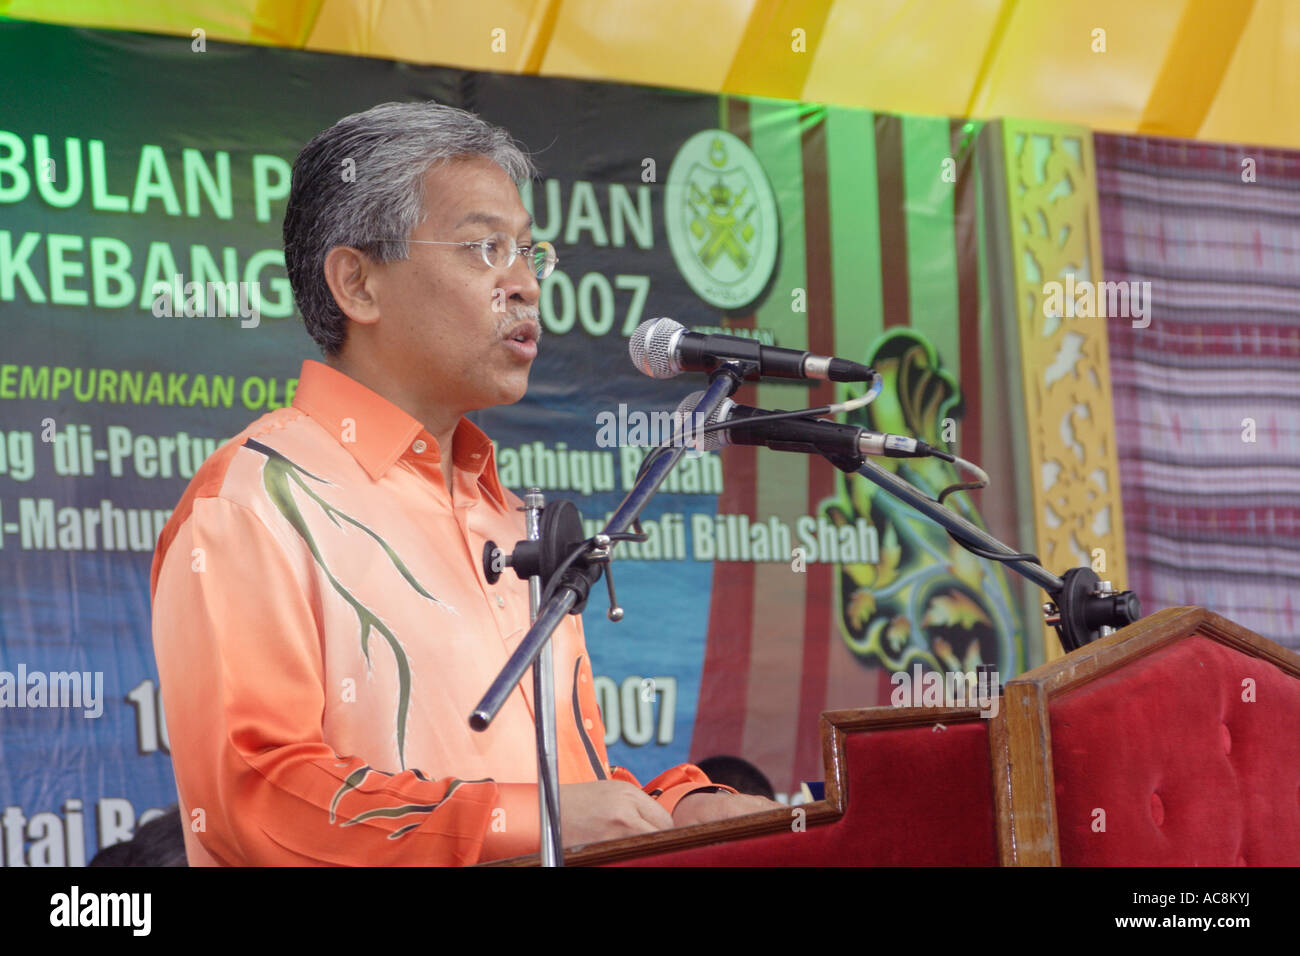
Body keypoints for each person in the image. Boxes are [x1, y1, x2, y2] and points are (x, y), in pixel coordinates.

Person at [150, 101, 777, 866]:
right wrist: (539, 818)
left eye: (529, 253)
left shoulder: (507, 516)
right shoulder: (254, 503)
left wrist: (681, 804)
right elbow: (260, 797)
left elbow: (564, 791)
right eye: (484, 248)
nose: (524, 286)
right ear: (358, 284)